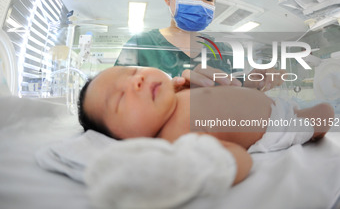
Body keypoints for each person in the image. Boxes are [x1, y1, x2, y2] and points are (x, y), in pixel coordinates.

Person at [78, 66, 333, 184]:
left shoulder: (176, 94)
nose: (138, 80)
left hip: (273, 101)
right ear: (121, 138)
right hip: (279, 125)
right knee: (325, 113)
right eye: (121, 98)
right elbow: (237, 161)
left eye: (133, 71)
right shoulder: (175, 139)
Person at [115, 0, 284, 91]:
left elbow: (235, 93)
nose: (200, 4)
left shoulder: (223, 51)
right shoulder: (142, 44)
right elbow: (115, 96)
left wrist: (253, 83)